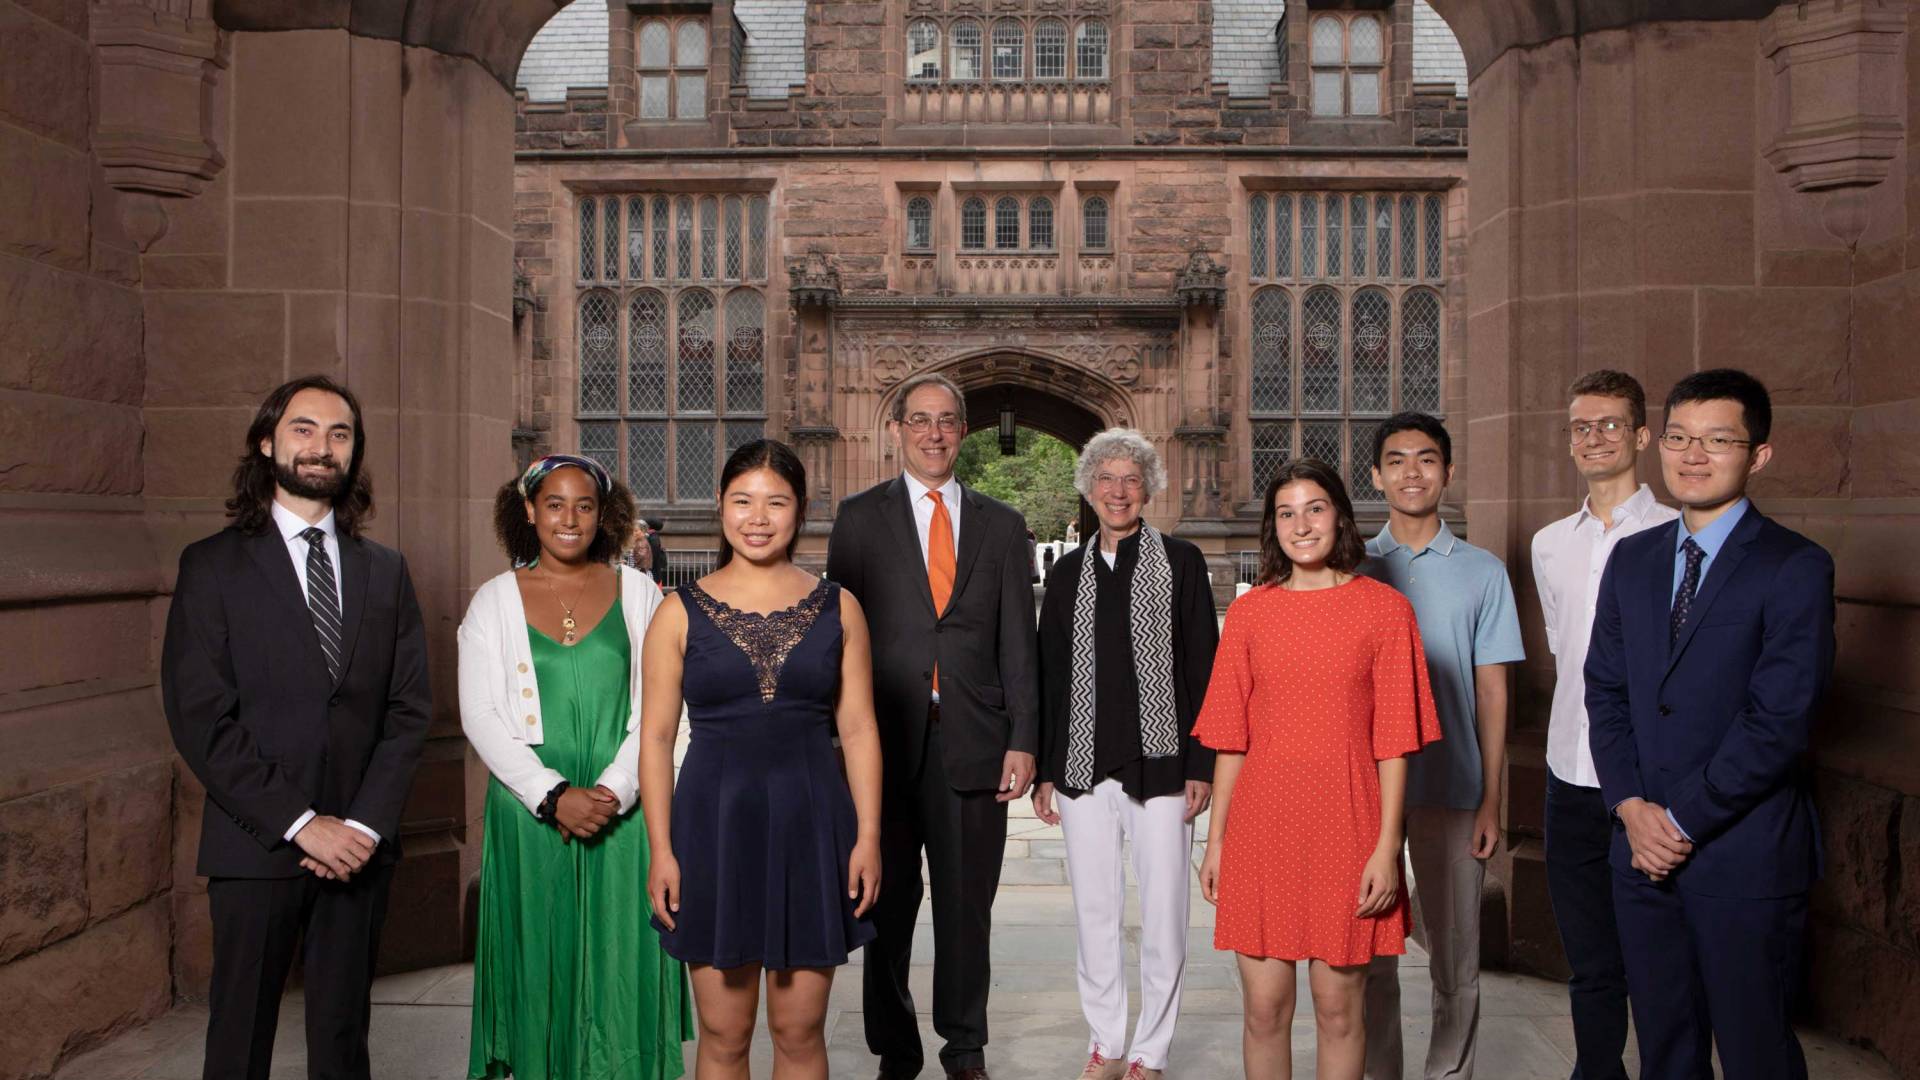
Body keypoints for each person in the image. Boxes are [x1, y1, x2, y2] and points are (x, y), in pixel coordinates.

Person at [161, 375, 430, 1080]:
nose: (321, 447)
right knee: (240, 1037)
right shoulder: (212, 566)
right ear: (267, 441)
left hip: (360, 852)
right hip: (258, 843)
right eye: (304, 429)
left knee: (343, 1039)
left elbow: (408, 713)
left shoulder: (386, 571)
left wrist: (363, 828)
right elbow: (201, 718)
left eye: (339, 434)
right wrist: (303, 822)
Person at [1586, 369, 1833, 1080]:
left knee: (1757, 1055)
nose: (1693, 455)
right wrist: (1631, 808)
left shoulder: (1795, 567)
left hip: (1742, 858)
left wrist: (1681, 821)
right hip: (1639, 856)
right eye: (1679, 437)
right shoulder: (1632, 559)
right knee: (1666, 1050)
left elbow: (1778, 722)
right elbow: (1604, 692)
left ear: (1757, 455)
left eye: (1718, 439)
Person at [640, 439, 883, 1079]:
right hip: (713, 828)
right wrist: (661, 849)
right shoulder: (676, 613)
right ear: (720, 506)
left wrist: (868, 837)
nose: (757, 517)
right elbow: (657, 741)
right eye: (742, 500)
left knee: (800, 1031)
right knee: (723, 1034)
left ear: (800, 511)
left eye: (775, 503)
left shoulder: (841, 607)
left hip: (812, 823)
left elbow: (858, 728)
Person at [1194, 459, 1441, 1080]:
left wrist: (1389, 849)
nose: (1300, 525)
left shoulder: (1385, 611)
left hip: (1348, 830)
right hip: (1261, 830)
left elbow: (1395, 744)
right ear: (1271, 526)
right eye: (1285, 512)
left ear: (1340, 517)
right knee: (1265, 1010)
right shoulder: (1250, 614)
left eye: (1315, 508)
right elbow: (1230, 741)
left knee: (1338, 1011)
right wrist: (1216, 841)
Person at [827, 372, 1040, 1080]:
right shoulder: (859, 520)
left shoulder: (1004, 525)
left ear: (964, 429)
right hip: (882, 745)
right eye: (919, 420)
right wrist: (838, 742)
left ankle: (965, 1046)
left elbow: (1019, 641)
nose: (934, 433)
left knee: (965, 910)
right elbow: (841, 640)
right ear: (897, 430)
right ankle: (895, 1047)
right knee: (883, 906)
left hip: (975, 741)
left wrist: (1024, 738)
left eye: (947, 420)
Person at [459, 454, 693, 1080]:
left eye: (584, 506)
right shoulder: (492, 601)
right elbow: (479, 714)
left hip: (623, 813)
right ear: (529, 511)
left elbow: (663, 708)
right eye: (555, 504)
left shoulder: (641, 594)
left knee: (620, 965)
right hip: (530, 815)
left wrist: (614, 792)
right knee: (541, 960)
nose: (570, 518)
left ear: (604, 516)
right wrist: (552, 794)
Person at [1032, 429, 1218, 1080]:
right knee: (1096, 912)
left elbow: (1204, 668)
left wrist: (1202, 764)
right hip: (1083, 766)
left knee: (1165, 913)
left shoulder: (1183, 563)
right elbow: (1049, 673)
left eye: (1130, 479)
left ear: (1149, 489)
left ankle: (1151, 1049)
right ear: (1089, 488)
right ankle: (1107, 1040)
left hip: (1163, 764)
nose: (1117, 490)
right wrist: (1047, 772)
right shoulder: (1066, 573)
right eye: (1106, 479)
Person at [1359, 412, 1525, 1080]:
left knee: (1456, 955)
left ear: (1448, 473)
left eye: (1426, 459)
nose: (1411, 472)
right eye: (1396, 460)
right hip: (1366, 790)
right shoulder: (1355, 569)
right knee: (1370, 954)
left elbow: (1493, 695)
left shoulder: (1484, 572)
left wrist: (1491, 800)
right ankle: (1380, 1071)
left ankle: (1448, 1074)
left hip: (1453, 784)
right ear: (1375, 475)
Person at [1529, 371, 1678, 1080]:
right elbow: (1568, 653)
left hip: (1649, 786)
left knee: (1658, 962)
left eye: (1610, 425)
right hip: (1569, 779)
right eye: (1581, 427)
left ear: (1643, 436)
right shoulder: (1550, 543)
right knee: (1590, 965)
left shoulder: (1678, 535)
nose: (1593, 438)